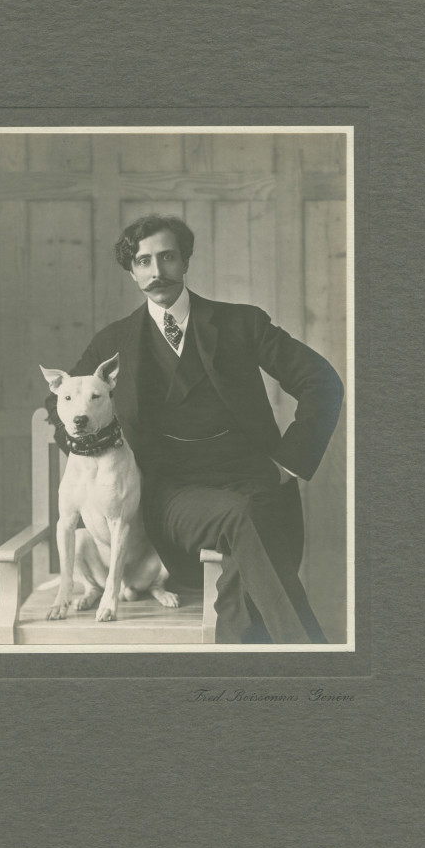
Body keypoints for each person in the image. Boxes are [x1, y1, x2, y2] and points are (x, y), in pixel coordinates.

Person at [45, 214, 344, 644]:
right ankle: (311, 660)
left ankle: (243, 673)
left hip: (257, 481)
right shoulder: (115, 341)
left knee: (247, 540)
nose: (156, 271)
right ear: (132, 272)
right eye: (144, 261)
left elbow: (323, 383)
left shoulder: (242, 323)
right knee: (243, 518)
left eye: (167, 257)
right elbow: (61, 404)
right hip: (170, 496)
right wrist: (94, 446)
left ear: (185, 261)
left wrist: (289, 462)